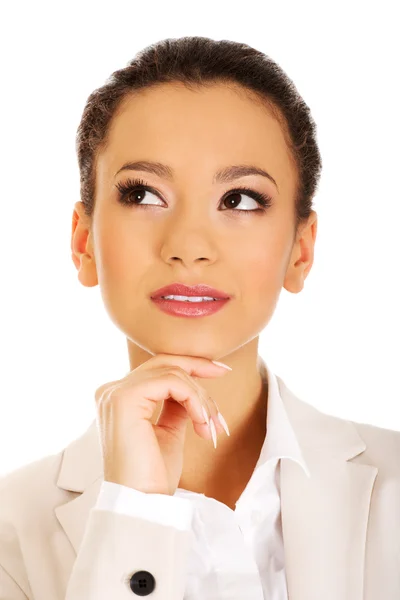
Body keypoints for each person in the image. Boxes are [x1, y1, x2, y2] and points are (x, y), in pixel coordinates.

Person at [1, 35, 399, 600]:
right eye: (143, 194)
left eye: (240, 199)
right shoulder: (11, 533)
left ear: (301, 251)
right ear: (84, 241)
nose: (188, 245)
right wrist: (132, 514)